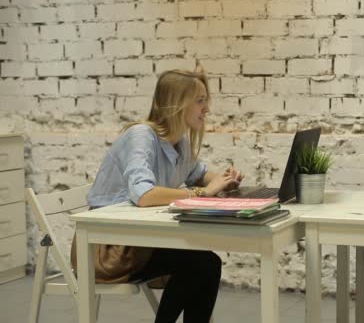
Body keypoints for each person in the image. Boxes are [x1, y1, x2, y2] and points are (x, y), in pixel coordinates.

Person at [71, 66, 244, 323]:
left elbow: (198, 173)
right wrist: (202, 192)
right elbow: (144, 195)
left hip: (141, 242)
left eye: (205, 100)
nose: (206, 108)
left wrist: (225, 180)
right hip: (108, 250)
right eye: (199, 100)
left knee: (204, 263)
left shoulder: (179, 140)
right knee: (200, 264)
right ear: (177, 103)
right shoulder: (142, 135)